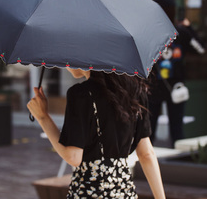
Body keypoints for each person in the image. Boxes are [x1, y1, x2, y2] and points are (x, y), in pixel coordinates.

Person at [27, 68, 166, 199]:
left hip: (89, 192)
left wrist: (43, 117)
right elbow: (147, 154)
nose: (66, 66)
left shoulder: (80, 94)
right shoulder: (135, 92)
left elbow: (73, 156)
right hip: (124, 192)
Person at [149, 0, 205, 147]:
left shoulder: (150, 31)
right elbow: (200, 49)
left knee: (150, 131)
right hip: (172, 86)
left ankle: (146, 165)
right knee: (176, 131)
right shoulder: (181, 32)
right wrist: (189, 28)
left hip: (157, 86)